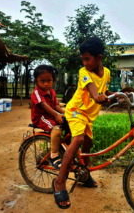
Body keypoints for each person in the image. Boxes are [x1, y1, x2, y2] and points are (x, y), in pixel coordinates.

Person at [52, 37, 127, 209]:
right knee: (78, 140)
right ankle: (59, 181)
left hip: (88, 116)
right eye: (83, 59)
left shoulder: (106, 72)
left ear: (99, 58)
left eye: (88, 59)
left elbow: (103, 89)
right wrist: (98, 97)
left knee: (88, 143)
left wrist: (117, 95)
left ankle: (83, 174)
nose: (85, 63)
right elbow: (93, 90)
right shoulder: (84, 73)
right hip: (76, 111)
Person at [31, 65, 65, 169]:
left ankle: (66, 152)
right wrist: (56, 115)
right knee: (56, 128)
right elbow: (43, 105)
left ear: (53, 80)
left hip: (50, 116)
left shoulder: (52, 92)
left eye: (49, 80)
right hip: (41, 117)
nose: (46, 83)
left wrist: (65, 113)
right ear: (36, 81)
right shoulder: (36, 92)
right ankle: (54, 156)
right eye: (42, 81)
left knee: (68, 123)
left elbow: (55, 106)